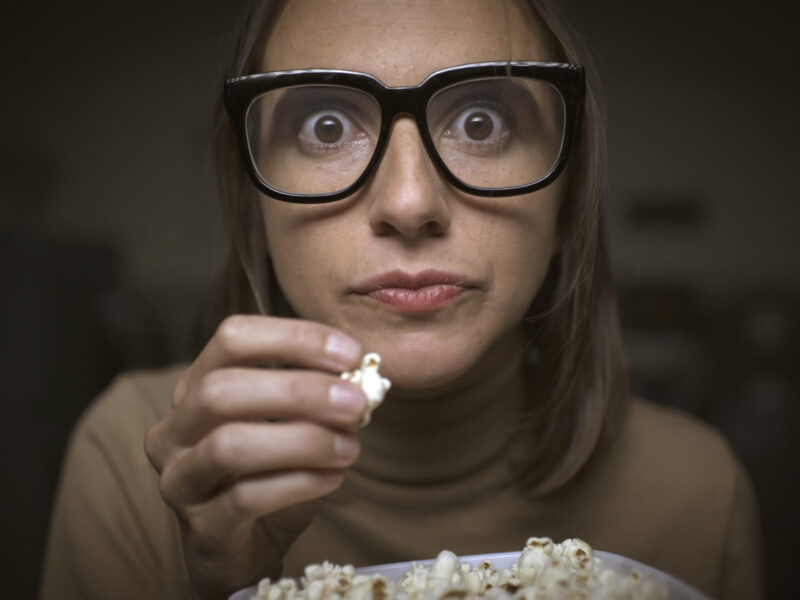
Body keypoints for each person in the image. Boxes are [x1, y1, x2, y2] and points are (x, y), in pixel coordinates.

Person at [38, 1, 763, 599]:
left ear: (567, 200)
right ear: (252, 201)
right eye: (327, 127)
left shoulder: (697, 493)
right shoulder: (135, 464)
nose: (410, 202)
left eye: (484, 122)